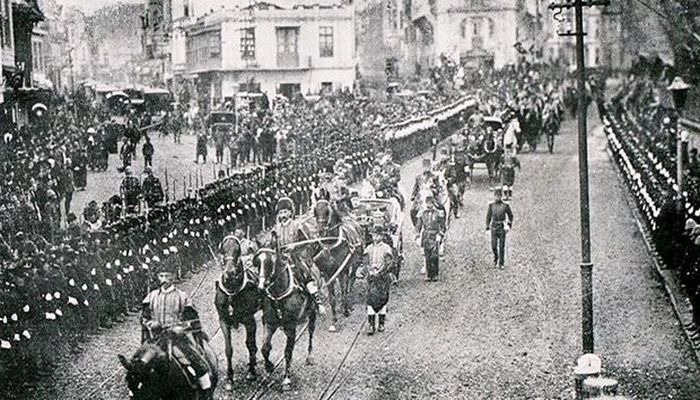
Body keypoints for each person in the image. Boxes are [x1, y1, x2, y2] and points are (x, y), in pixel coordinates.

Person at [141, 262, 213, 390]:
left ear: (173, 277)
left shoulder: (182, 297)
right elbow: (144, 318)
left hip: (178, 340)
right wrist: (151, 323)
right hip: (156, 340)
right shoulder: (151, 297)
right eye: (161, 276)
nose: (164, 279)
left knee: (198, 364)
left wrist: (181, 327)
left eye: (167, 276)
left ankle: (206, 391)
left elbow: (194, 321)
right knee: (139, 366)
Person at [271, 197, 325, 313]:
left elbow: (305, 242)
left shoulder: (296, 226)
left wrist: (294, 246)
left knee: (305, 274)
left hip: (295, 257)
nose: (283, 215)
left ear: (291, 213)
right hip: (281, 259)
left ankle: (317, 300)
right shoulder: (276, 229)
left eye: (285, 212)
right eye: (281, 212)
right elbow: (272, 245)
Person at [359, 224, 393, 335]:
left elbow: (389, 263)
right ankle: (371, 325)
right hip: (371, 278)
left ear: (382, 236)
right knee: (370, 300)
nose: (375, 238)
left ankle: (381, 323)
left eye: (378, 236)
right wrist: (368, 271)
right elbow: (364, 262)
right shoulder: (368, 248)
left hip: (382, 278)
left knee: (382, 299)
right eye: (374, 236)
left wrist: (380, 272)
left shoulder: (386, 248)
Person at [415, 194, 446, 281]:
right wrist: (417, 236)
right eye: (427, 203)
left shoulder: (438, 213)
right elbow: (418, 226)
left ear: (433, 203)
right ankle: (429, 274)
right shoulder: (422, 214)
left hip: (434, 235)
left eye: (431, 203)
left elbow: (443, 226)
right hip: (426, 236)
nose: (429, 205)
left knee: (434, 255)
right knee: (427, 255)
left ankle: (435, 273)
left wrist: (440, 235)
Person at [486, 187, 514, 269]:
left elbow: (511, 216)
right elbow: (488, 217)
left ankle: (501, 263)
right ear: (494, 196)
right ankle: (496, 258)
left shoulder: (505, 206)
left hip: (502, 227)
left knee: (502, 246)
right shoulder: (491, 206)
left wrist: (508, 225)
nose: (498, 197)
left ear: (501, 196)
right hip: (494, 227)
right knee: (494, 246)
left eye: (499, 196)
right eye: (496, 196)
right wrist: (487, 227)